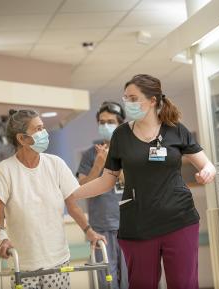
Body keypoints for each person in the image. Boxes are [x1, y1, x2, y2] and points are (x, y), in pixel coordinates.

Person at [66, 74, 217, 289]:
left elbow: (207, 165)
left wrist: (207, 173)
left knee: (184, 284)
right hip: (138, 227)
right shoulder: (121, 136)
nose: (128, 103)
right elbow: (106, 181)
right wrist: (72, 193)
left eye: (133, 98)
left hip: (179, 220)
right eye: (125, 98)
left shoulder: (176, 130)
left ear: (152, 100)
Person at [0, 109, 106, 289]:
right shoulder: (5, 170)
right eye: (38, 129)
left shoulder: (55, 164)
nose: (45, 133)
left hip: (57, 259)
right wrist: (2, 238)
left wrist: (89, 231)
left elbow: (73, 205)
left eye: (43, 128)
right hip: (23, 264)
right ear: (22, 139)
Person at [76, 101, 128, 289]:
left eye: (110, 121)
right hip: (101, 229)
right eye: (102, 122)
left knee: (131, 280)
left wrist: (112, 162)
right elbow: (81, 189)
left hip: (130, 225)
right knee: (107, 282)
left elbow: (137, 183)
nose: (105, 126)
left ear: (120, 123)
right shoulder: (90, 154)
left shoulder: (131, 150)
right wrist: (99, 164)